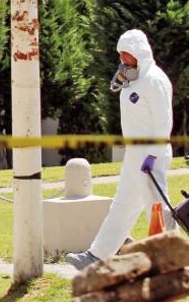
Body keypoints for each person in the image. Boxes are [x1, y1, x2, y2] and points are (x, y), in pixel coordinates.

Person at [66, 29, 175, 270]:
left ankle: (173, 257)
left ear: (140, 54)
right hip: (135, 155)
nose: (123, 61)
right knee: (123, 206)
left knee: (157, 207)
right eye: (121, 56)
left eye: (127, 56)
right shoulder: (132, 79)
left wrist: (152, 155)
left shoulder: (155, 80)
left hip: (150, 156)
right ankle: (96, 255)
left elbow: (163, 122)